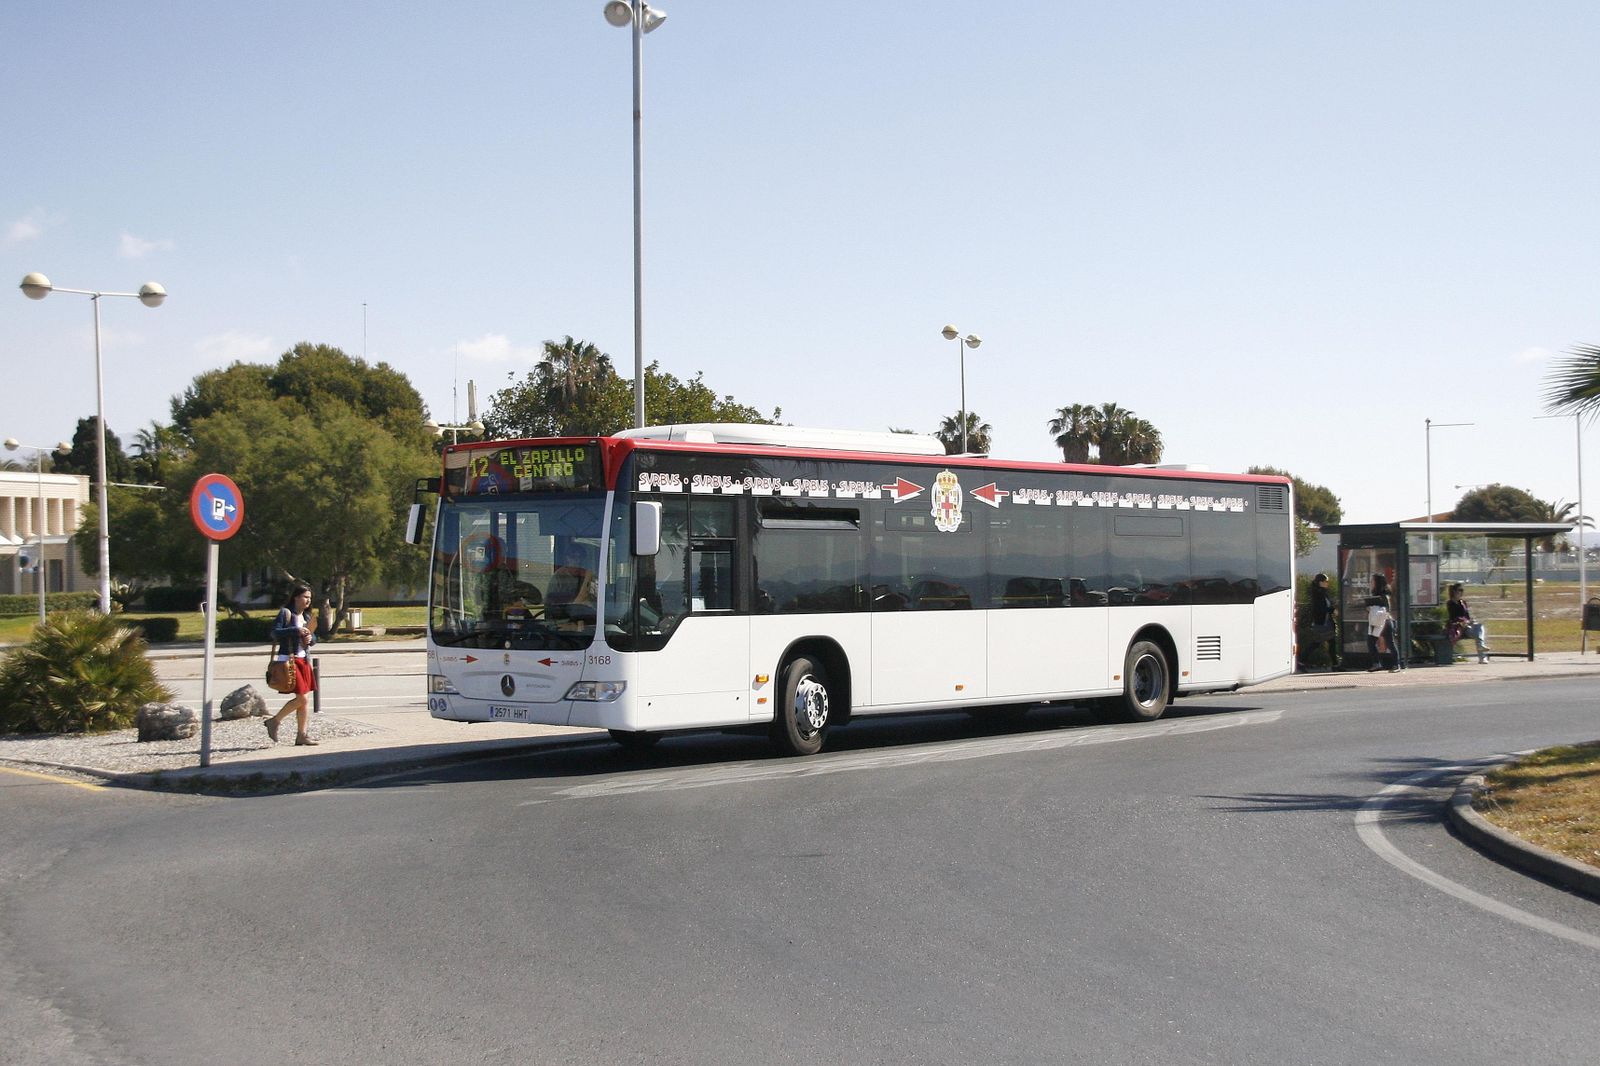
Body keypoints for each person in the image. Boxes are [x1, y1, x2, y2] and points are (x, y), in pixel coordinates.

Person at [264, 582, 319, 746]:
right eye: (305, 597)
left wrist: (311, 639)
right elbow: (274, 632)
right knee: (302, 698)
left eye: (310, 597)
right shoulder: (286, 613)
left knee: (305, 700)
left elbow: (314, 639)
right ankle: (274, 721)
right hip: (288, 660)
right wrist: (295, 631)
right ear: (296, 597)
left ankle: (301, 735)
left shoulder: (307, 617)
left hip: (303, 659)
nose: (308, 600)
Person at [1446, 583, 1491, 664]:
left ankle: (1481, 649)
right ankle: (1482, 656)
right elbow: (1452, 618)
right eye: (1459, 590)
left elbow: (1467, 616)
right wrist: (1463, 622)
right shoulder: (1450, 603)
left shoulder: (1463, 602)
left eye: (1462, 590)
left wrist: (1469, 621)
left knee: (1479, 626)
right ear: (1454, 591)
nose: (1461, 592)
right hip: (1458, 628)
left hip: (1467, 627)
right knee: (1478, 633)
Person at [1366, 573, 1402, 673]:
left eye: (1372, 581)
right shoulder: (1375, 594)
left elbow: (1386, 609)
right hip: (1376, 622)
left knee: (1390, 643)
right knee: (1371, 642)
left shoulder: (1384, 595)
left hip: (1385, 621)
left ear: (1377, 582)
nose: (1371, 583)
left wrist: (1373, 609)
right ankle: (1377, 663)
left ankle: (1396, 664)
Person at [1308, 572, 1339, 670]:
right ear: (1320, 582)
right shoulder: (1318, 594)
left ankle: (1335, 664)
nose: (1327, 583)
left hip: (1325, 622)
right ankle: (1302, 660)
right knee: (1317, 643)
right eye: (1326, 581)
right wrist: (1332, 610)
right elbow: (1321, 608)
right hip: (1322, 622)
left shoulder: (1322, 593)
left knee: (1330, 642)